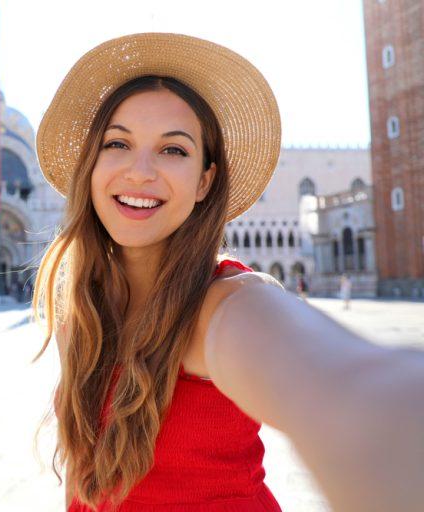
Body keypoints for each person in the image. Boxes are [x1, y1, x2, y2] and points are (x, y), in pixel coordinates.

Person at [30, 33, 424, 512]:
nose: (139, 171)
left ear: (205, 181)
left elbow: (352, 390)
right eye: (117, 143)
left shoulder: (229, 304)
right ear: (91, 165)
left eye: (173, 150)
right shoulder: (83, 313)